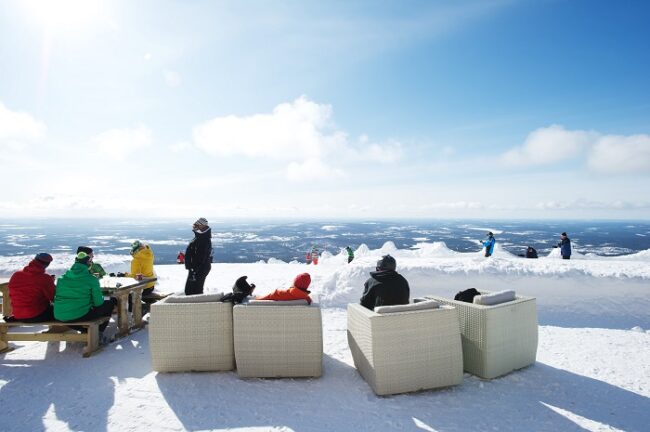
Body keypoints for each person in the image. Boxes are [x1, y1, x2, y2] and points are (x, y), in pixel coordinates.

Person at [53, 251, 116, 333]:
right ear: (88, 264)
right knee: (109, 304)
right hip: (79, 315)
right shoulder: (91, 279)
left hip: (60, 315)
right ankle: (97, 332)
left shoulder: (61, 279)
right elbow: (98, 303)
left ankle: (85, 330)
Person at [5, 253, 56, 322]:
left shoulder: (16, 275)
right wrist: (50, 283)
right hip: (36, 315)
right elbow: (53, 297)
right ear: (47, 264)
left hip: (18, 315)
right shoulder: (45, 278)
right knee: (62, 311)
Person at [184, 217, 213, 295]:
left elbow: (201, 257)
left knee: (194, 291)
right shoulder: (199, 237)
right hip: (195, 268)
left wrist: (194, 270)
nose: (194, 227)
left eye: (197, 225)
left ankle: (197, 305)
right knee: (190, 290)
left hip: (199, 269)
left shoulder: (204, 239)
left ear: (202, 226)